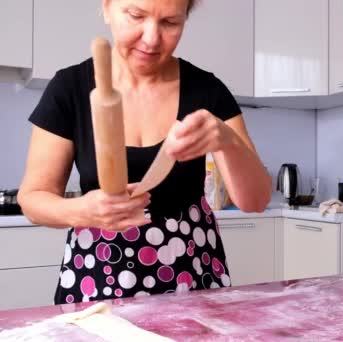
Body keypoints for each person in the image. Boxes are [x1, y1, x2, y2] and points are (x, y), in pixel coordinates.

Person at [17, 0, 271, 304]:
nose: (151, 38)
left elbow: (255, 201)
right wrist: (83, 210)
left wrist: (227, 140)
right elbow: (32, 199)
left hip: (190, 266)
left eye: (170, 23)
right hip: (99, 268)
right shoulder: (69, 88)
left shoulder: (207, 89)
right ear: (107, 7)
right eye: (136, 16)